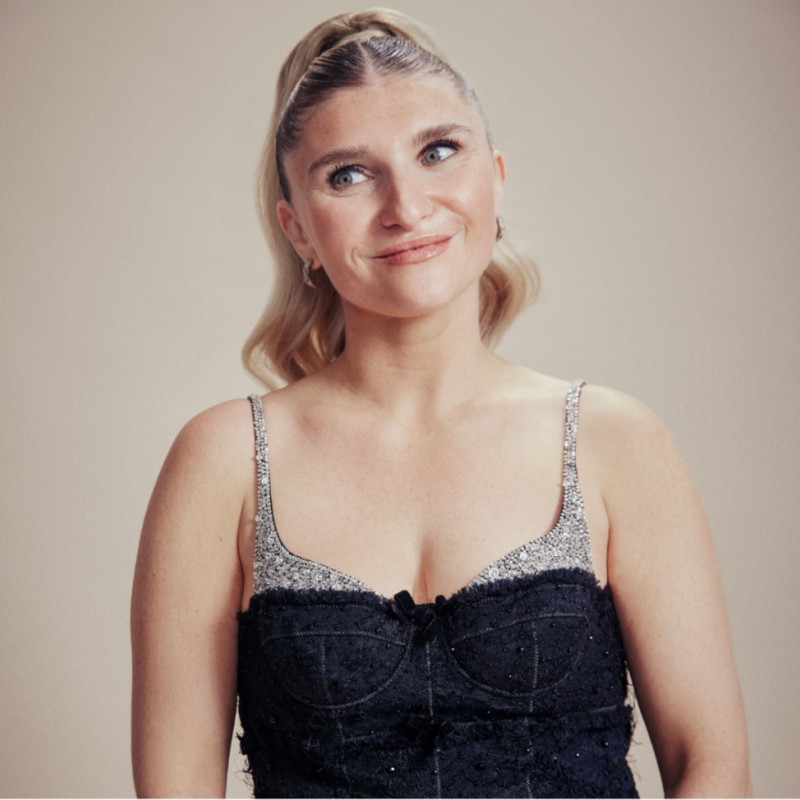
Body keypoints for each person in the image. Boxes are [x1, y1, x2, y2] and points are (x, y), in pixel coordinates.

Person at [131, 9, 751, 798]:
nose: (405, 205)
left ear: (494, 177)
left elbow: (714, 768)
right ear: (300, 232)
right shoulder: (221, 462)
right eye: (348, 174)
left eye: (437, 152)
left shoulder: (611, 441)